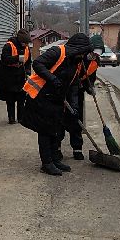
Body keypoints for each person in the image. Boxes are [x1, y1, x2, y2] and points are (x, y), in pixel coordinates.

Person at [21, 32, 93, 175]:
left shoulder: (76, 62)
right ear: (77, 49)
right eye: (83, 52)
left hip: (56, 98)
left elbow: (73, 84)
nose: (83, 56)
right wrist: (52, 79)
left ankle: (55, 159)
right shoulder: (58, 52)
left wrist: (74, 106)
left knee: (55, 128)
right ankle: (46, 163)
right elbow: (37, 63)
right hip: (40, 95)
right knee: (45, 130)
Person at [64, 51, 100, 160]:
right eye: (93, 52)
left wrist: (90, 88)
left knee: (77, 119)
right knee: (61, 119)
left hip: (78, 92)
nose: (94, 55)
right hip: (65, 90)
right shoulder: (77, 57)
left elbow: (91, 76)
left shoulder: (95, 61)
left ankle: (77, 149)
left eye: (97, 53)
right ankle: (56, 149)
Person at [0, 29, 33, 124]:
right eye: (25, 43)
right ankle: (11, 118)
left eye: (27, 43)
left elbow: (28, 62)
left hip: (21, 76)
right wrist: (17, 58)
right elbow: (4, 58)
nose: (26, 45)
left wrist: (28, 72)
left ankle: (21, 118)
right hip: (8, 76)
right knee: (10, 99)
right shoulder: (9, 45)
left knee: (21, 98)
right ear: (20, 41)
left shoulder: (27, 48)